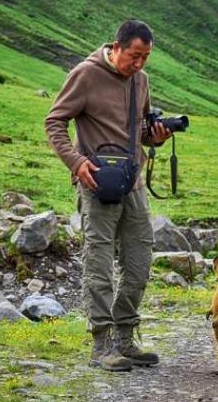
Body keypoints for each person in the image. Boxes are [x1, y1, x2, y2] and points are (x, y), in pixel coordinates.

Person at [44, 19, 172, 372]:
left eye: (146, 57)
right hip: (96, 182)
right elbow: (54, 121)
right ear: (116, 47)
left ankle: (126, 340)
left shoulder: (141, 81)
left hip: (133, 184)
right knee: (98, 263)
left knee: (139, 261)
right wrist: (75, 161)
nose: (139, 64)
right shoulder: (85, 75)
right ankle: (101, 344)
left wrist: (156, 137)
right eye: (134, 55)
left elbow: (139, 132)